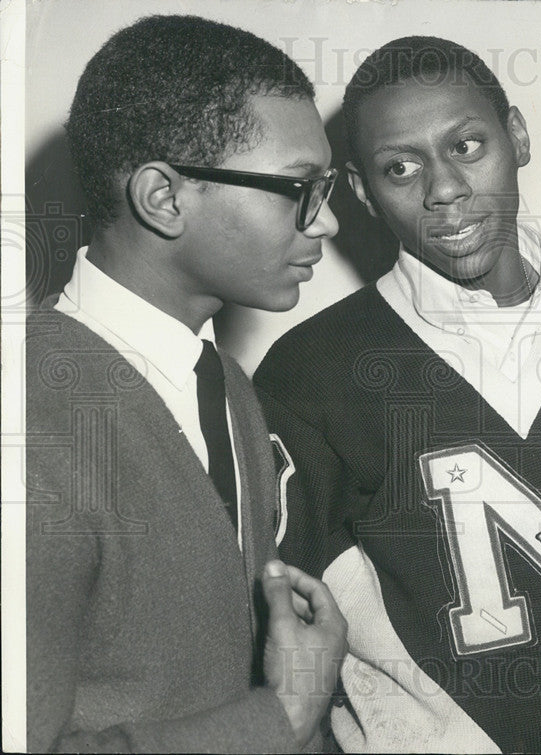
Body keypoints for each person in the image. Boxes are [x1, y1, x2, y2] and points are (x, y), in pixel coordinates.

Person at [255, 36, 541, 754]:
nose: (442, 189)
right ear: (360, 190)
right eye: (399, 167)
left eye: (467, 145)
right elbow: (289, 620)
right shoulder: (312, 370)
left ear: (517, 136)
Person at [26, 15, 346, 752]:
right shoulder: (29, 433)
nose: (325, 223)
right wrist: (284, 712)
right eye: (298, 189)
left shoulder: (225, 382)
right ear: (163, 198)